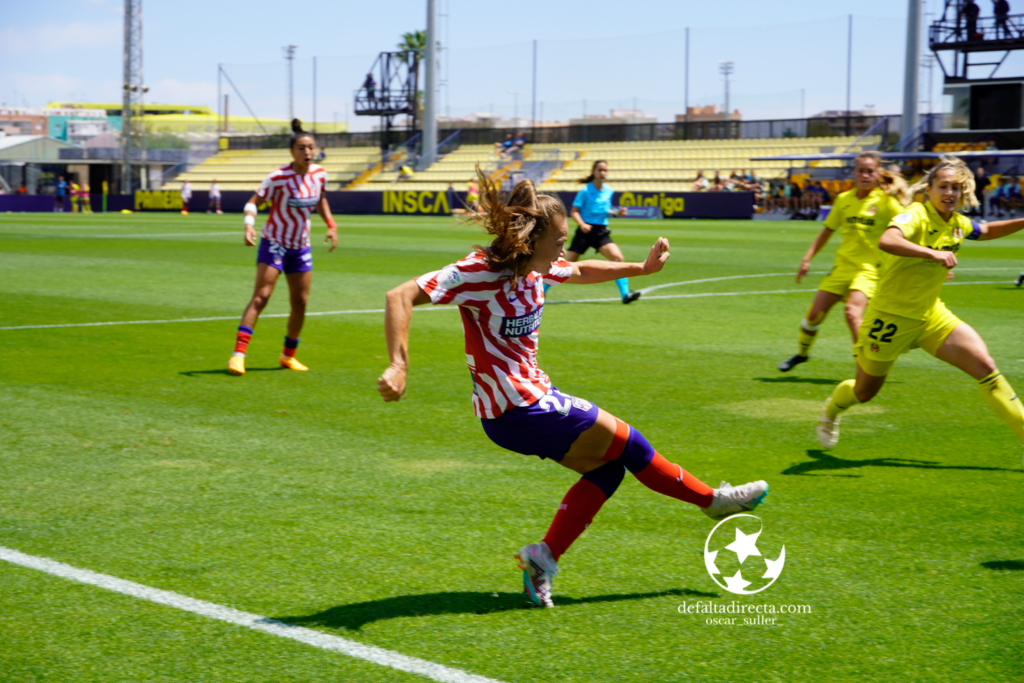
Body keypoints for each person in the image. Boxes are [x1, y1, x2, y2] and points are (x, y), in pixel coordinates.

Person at [376, 174, 769, 608]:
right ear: (532, 241)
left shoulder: (539, 266)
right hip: (518, 407)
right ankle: (712, 501)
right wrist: (399, 365)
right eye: (559, 241)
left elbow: (580, 270)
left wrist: (640, 268)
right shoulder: (480, 272)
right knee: (630, 442)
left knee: (607, 471)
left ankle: (542, 559)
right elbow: (400, 295)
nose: (564, 250)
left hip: (525, 406)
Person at [817, 156, 1024, 464]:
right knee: (864, 392)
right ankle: (831, 411)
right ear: (929, 189)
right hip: (890, 319)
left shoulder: (957, 223)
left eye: (955, 188)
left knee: (986, 367)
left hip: (931, 317)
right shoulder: (916, 214)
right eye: (943, 186)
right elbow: (888, 240)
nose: (949, 193)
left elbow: (986, 230)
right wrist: (931, 254)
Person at [779, 153, 910, 372]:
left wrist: (931, 254)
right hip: (842, 268)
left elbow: (912, 226)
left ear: (878, 174)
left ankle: (865, 366)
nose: (865, 175)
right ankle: (801, 354)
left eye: (870, 171)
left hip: (869, 270)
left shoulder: (886, 202)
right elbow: (827, 230)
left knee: (852, 312)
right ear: (854, 173)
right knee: (813, 315)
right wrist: (806, 259)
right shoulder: (843, 199)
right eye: (861, 170)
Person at [228, 119, 338, 376]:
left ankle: (288, 356)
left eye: (310, 147)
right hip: (275, 243)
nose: (307, 152)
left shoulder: (320, 174)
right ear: (292, 151)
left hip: (301, 246)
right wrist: (248, 225)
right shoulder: (277, 178)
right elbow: (253, 202)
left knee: (300, 301)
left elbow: (321, 199)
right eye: (301, 148)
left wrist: (331, 225)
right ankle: (238, 354)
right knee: (262, 296)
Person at [563, 160, 640, 304]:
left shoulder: (609, 191)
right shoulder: (585, 191)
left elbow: (604, 209)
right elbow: (574, 211)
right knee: (565, 266)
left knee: (617, 258)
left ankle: (625, 295)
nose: (603, 173)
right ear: (593, 171)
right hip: (585, 231)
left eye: (605, 170)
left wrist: (617, 214)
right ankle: (542, 291)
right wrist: (582, 224)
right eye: (600, 170)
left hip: (600, 231)